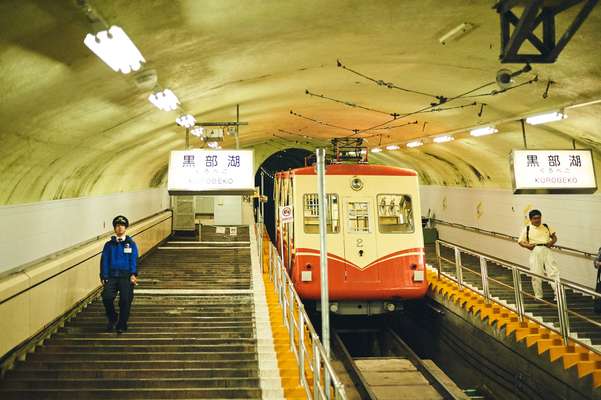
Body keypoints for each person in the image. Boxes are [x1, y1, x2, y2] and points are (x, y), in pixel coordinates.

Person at [100, 215, 138, 333]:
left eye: (122, 225)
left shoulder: (130, 243)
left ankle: (121, 324)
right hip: (111, 276)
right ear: (114, 228)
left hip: (126, 276)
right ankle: (112, 318)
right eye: (117, 226)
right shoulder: (109, 245)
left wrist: (133, 274)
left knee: (125, 300)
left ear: (125, 228)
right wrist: (104, 276)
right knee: (106, 297)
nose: (120, 228)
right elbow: (104, 260)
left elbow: (133, 259)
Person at [518, 209, 559, 301]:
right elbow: (520, 242)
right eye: (535, 218)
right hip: (535, 250)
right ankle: (538, 295)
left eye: (539, 218)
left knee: (553, 272)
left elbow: (554, 237)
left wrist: (551, 242)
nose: (537, 220)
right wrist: (528, 246)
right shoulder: (527, 229)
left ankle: (558, 295)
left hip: (546, 249)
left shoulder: (546, 226)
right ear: (531, 219)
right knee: (536, 273)